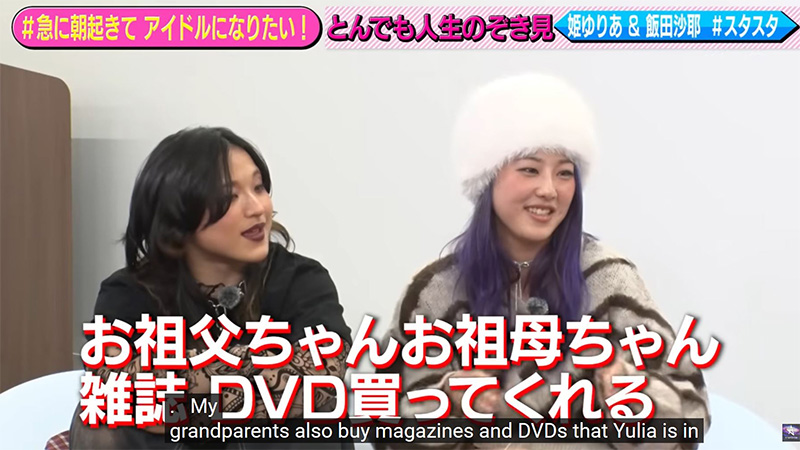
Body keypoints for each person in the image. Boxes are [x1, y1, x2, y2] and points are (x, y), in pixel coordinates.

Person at [378, 74, 711, 449]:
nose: (549, 190)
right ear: (488, 177)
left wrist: (630, 392)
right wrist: (451, 400)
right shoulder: (436, 291)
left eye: (565, 173)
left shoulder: (608, 279)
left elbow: (691, 417)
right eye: (530, 169)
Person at [69, 126, 353, 449]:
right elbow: (112, 384)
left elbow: (323, 378)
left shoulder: (301, 279)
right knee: (96, 421)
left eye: (258, 187)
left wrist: (183, 391)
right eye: (229, 197)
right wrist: (264, 374)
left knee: (315, 415)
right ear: (177, 217)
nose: (257, 208)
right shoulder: (128, 292)